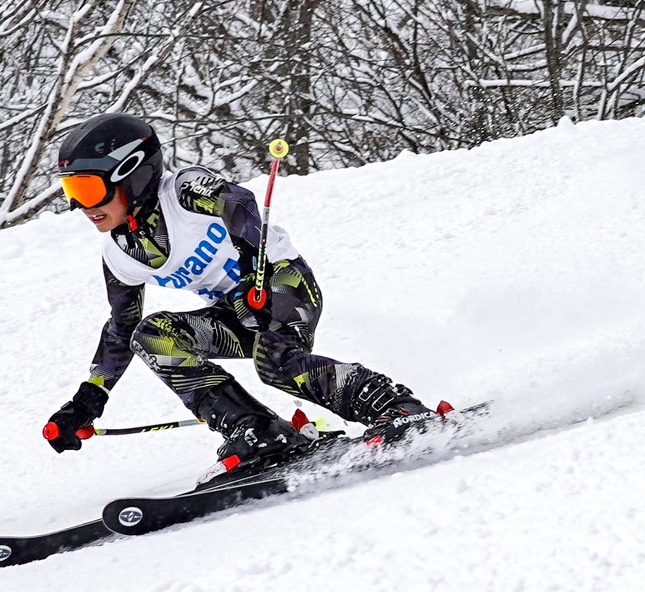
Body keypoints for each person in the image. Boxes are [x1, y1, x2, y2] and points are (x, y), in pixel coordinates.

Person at [43, 112, 444, 473]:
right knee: (151, 335)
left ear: (133, 173)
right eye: (71, 193)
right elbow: (120, 330)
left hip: (281, 284)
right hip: (234, 312)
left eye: (88, 190)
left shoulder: (182, 190)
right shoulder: (119, 253)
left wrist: (253, 264)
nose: (82, 206)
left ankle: (395, 408)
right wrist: (89, 398)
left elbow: (238, 202)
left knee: (276, 362)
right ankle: (258, 430)